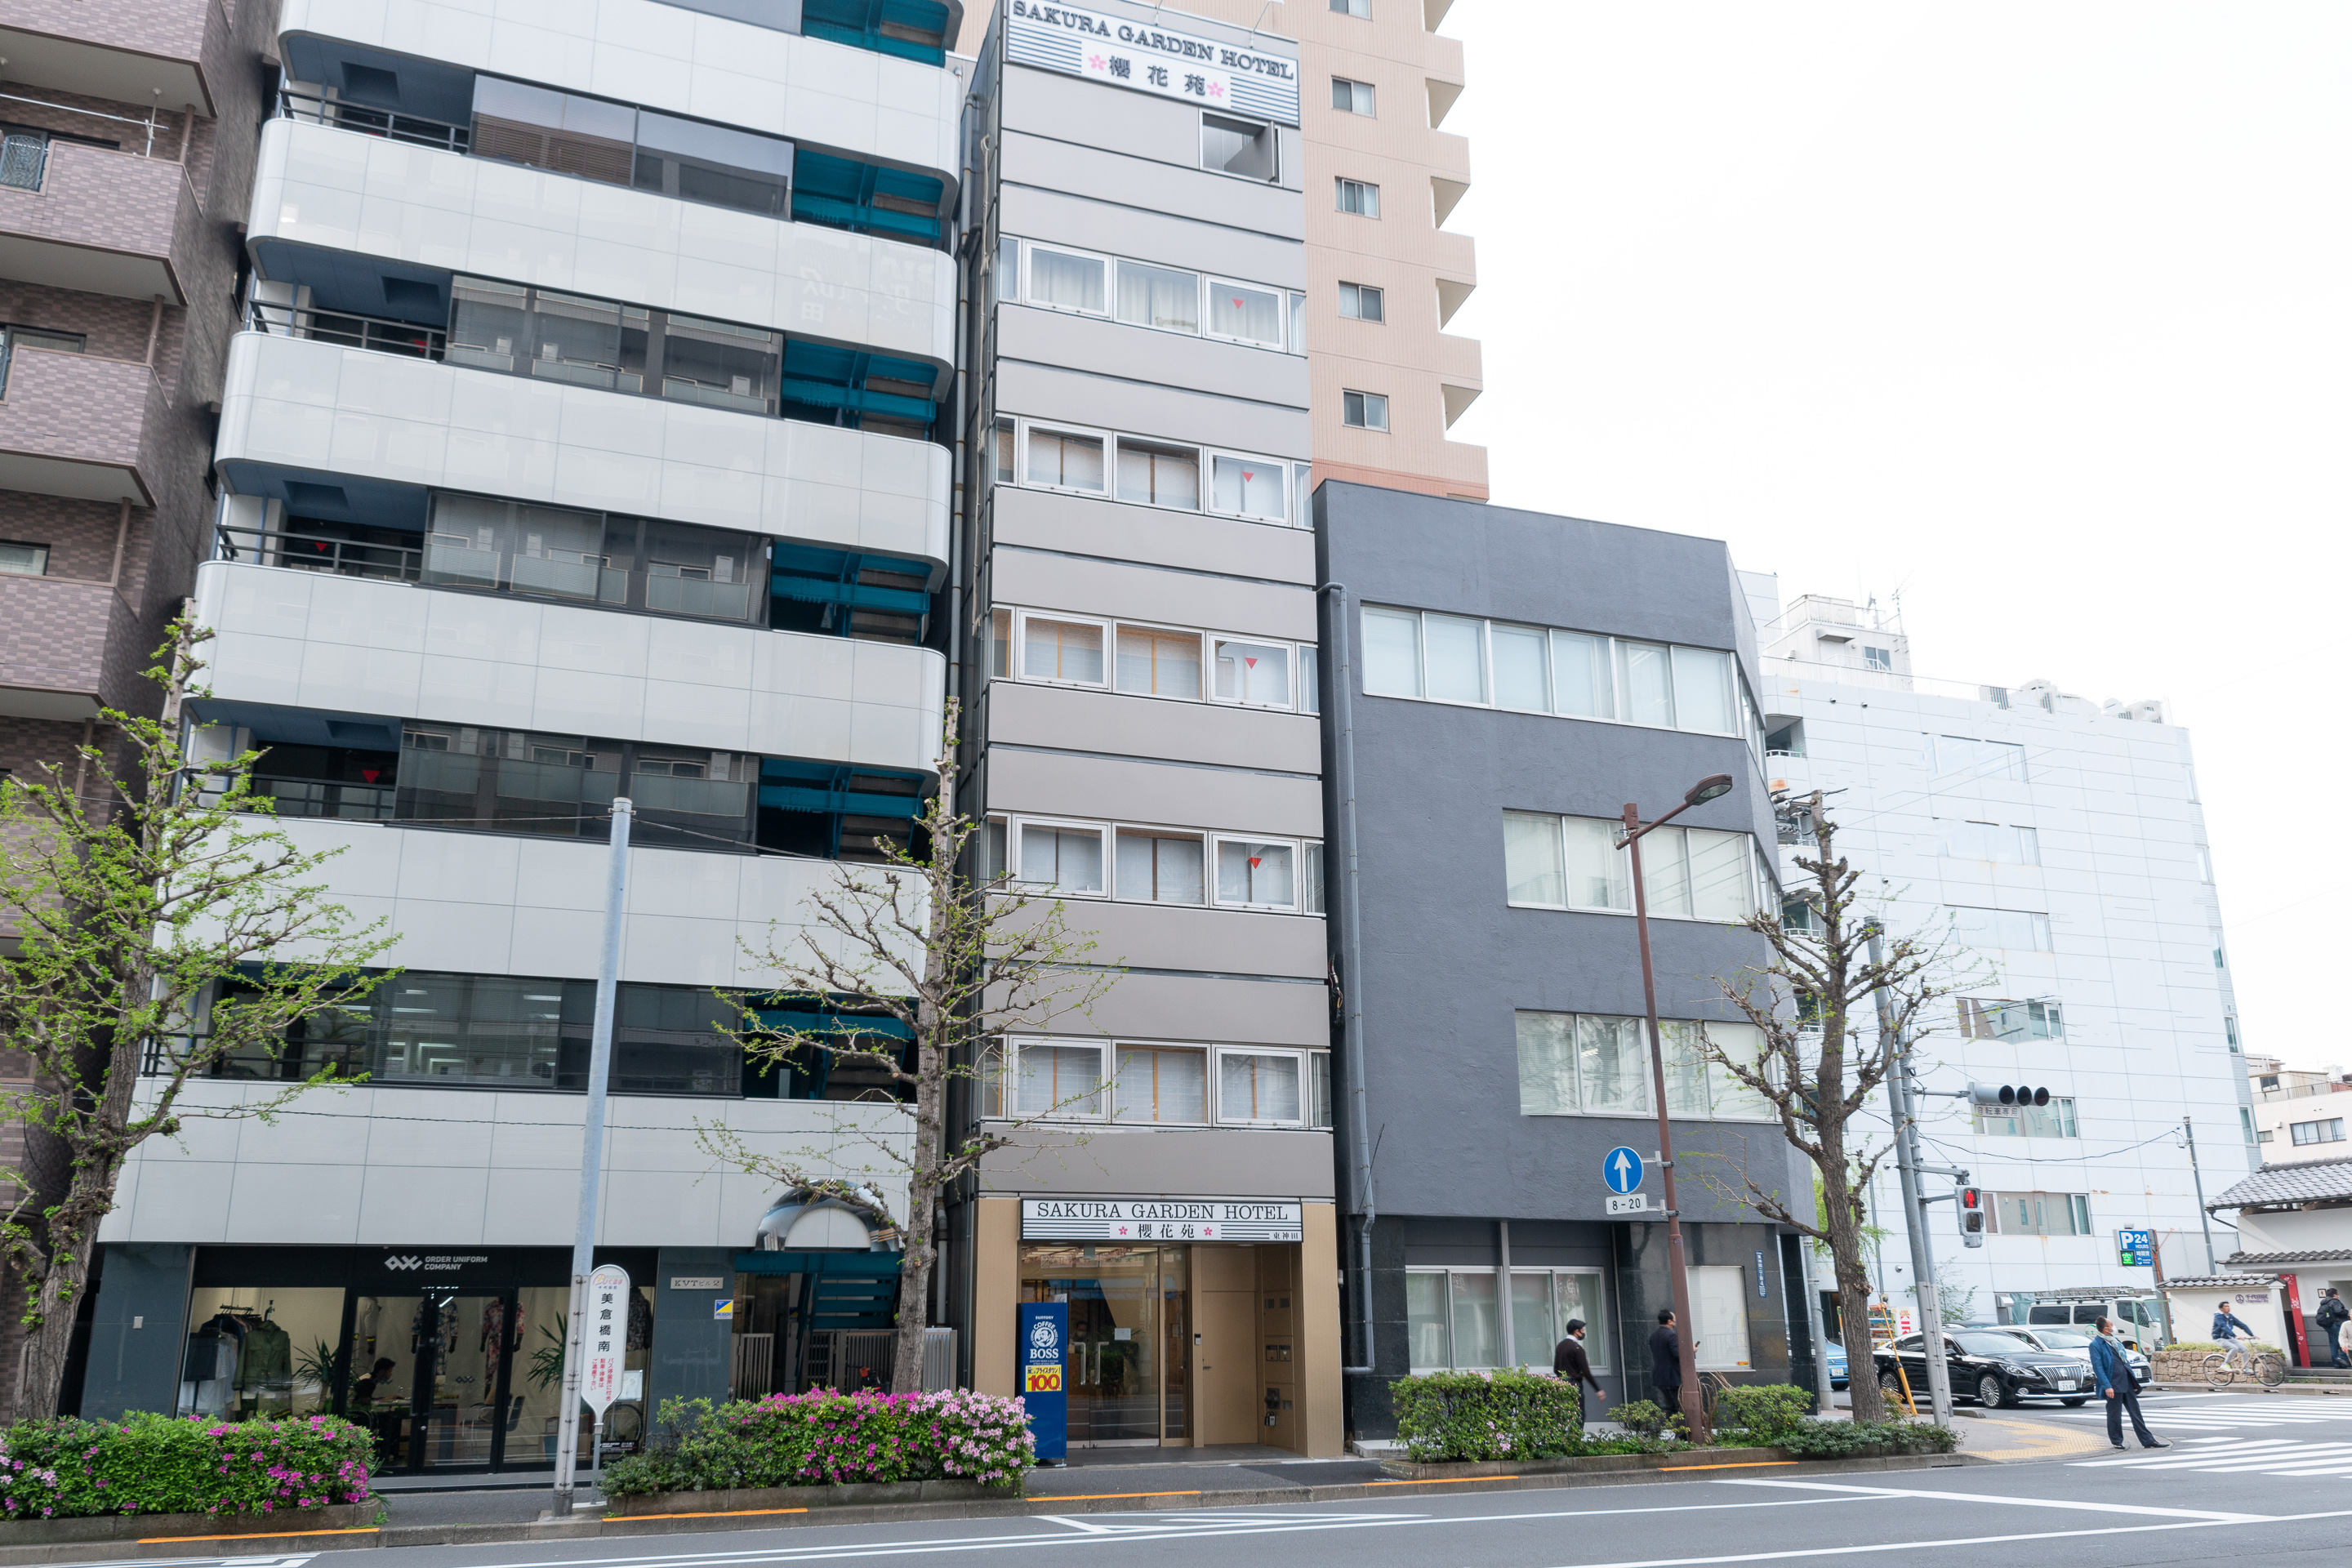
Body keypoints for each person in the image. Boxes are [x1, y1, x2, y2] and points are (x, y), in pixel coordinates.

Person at [2091, 1316, 2166, 1451]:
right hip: (2113, 1383)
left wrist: (2133, 1380)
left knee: (2136, 1413)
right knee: (2114, 1414)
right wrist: (2107, 1386)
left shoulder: (2115, 1341)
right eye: (2111, 1325)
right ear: (2105, 1328)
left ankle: (2148, 1440)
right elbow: (2098, 1367)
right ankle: (2117, 1441)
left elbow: (2123, 1361)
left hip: (2126, 1381)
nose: (2113, 1327)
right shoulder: (2096, 1345)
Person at [1553, 1317, 1606, 1411]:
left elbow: (1556, 1368)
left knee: (1565, 1415)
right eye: (1582, 1330)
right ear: (1576, 1331)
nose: (1583, 1333)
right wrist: (1598, 1390)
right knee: (1578, 1415)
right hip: (1575, 1385)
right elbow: (1586, 1371)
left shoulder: (1560, 1346)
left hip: (1561, 1385)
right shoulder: (1577, 1348)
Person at [1649, 1307, 1682, 1412]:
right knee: (1679, 1407)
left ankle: (1660, 1427)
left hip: (1659, 1377)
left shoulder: (1653, 1336)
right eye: (1674, 1319)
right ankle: (1680, 1428)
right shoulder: (1671, 1335)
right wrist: (1692, 1351)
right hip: (1673, 1378)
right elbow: (1677, 1355)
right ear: (1670, 1321)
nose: (1675, 1321)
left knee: (1668, 1407)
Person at [2212, 1299, 2261, 1372]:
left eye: (2228, 1306)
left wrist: (2252, 1335)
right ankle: (2224, 1365)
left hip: (2228, 1337)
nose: (2228, 1308)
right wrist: (2235, 1336)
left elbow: (2242, 1325)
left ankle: (2246, 1369)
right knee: (2234, 1348)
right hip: (2219, 1338)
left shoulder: (2230, 1317)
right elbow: (2223, 1326)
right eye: (2226, 1306)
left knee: (2245, 1350)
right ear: (2221, 1309)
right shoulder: (2218, 1317)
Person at [2317, 1289, 2350, 1370]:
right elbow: (2339, 1311)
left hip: (2329, 1326)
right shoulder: (2335, 1302)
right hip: (2336, 1325)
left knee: (2333, 1345)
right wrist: (2346, 1311)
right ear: (2335, 1295)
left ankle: (2336, 1364)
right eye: (2337, 1294)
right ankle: (2343, 1361)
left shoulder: (2324, 1302)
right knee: (2343, 1342)